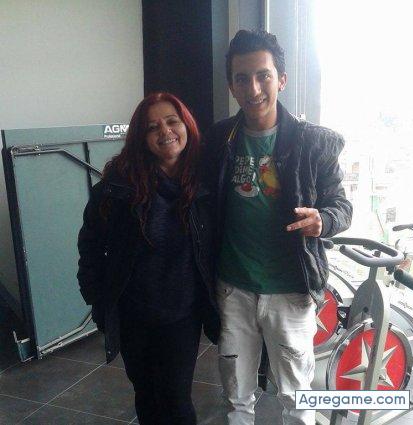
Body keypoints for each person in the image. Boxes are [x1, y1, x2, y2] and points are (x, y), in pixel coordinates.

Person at [203, 30, 353, 425]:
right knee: (236, 396)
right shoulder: (219, 140)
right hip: (233, 288)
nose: (253, 88)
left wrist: (323, 221)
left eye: (263, 76)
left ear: (281, 79)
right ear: (232, 86)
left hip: (290, 289)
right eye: (242, 78)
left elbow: (342, 206)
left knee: (296, 398)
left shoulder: (313, 143)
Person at [77, 92, 220, 425]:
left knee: (176, 399)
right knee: (145, 394)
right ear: (141, 138)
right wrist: (97, 299)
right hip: (133, 314)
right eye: (152, 127)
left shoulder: (206, 179)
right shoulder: (118, 186)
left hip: (182, 314)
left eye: (172, 121)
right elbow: (90, 245)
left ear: (186, 125)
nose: (165, 131)